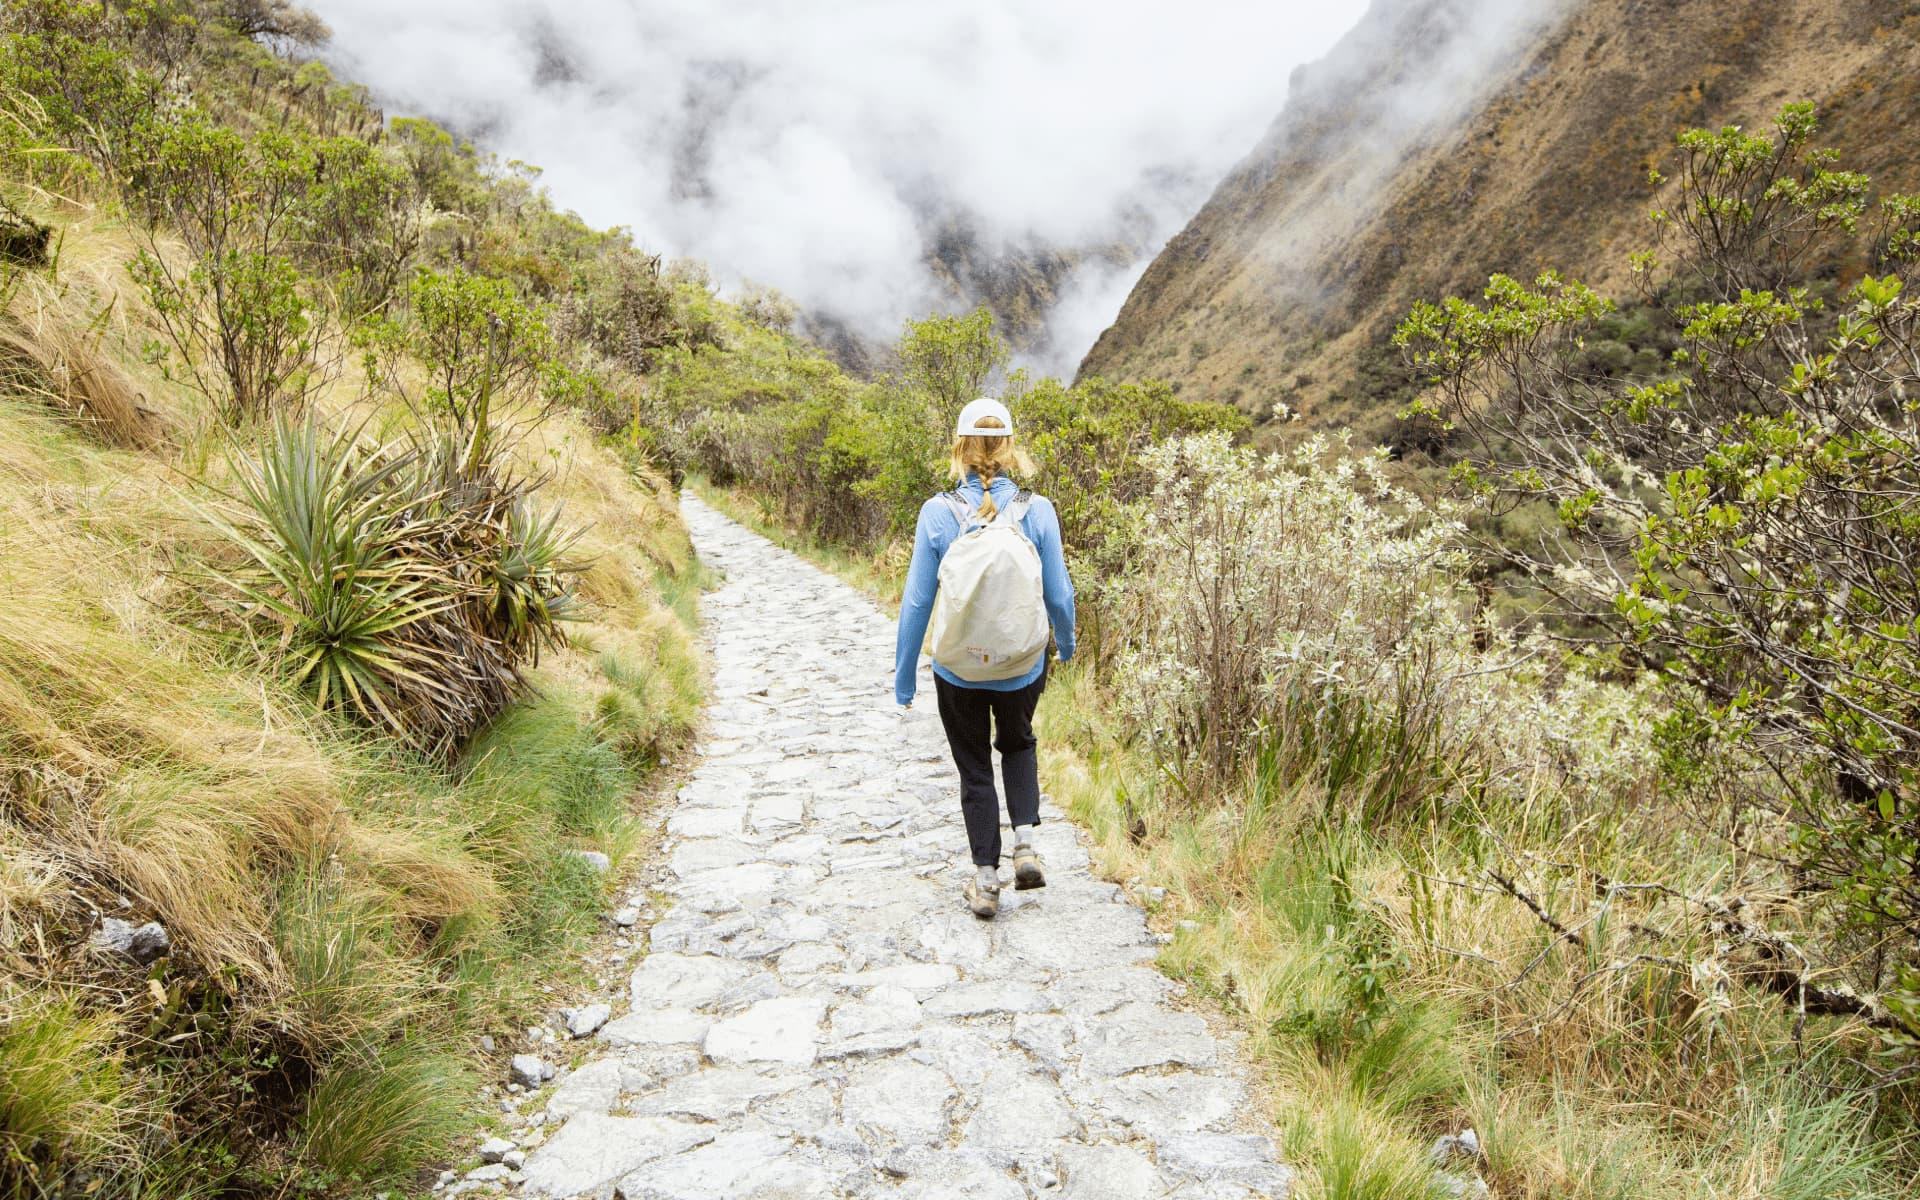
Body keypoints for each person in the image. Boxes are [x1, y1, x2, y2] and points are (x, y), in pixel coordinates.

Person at [894, 397, 1075, 919]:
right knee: (1018, 744)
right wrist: (1064, 643)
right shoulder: (1037, 512)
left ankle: (985, 881)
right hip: (1022, 664)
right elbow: (1060, 596)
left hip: (957, 669)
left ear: (959, 448)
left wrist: (905, 678)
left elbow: (917, 601)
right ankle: (1024, 845)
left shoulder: (937, 513)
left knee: (974, 767)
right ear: (1011, 448)